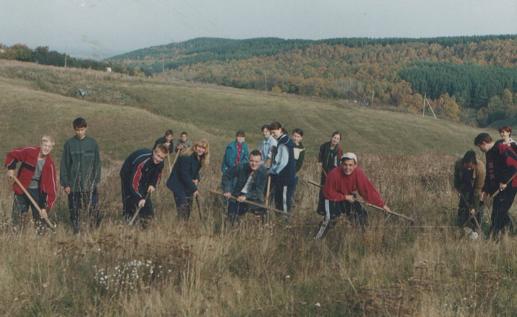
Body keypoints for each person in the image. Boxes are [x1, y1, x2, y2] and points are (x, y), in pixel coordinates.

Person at [322, 153, 391, 231]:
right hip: (332, 198)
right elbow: (327, 193)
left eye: (350, 165)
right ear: (341, 164)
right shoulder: (333, 174)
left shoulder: (358, 173)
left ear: (355, 165)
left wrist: (382, 205)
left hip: (347, 196)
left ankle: (359, 236)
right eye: (345, 165)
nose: (347, 168)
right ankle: (317, 239)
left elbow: (368, 190)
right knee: (331, 218)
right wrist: (345, 197)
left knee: (361, 214)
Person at [4, 135, 57, 229]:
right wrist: (11, 169)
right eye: (45, 145)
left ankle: (41, 239)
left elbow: (51, 189)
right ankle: (16, 235)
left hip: (37, 192)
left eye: (49, 147)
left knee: (39, 218)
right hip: (21, 188)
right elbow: (12, 154)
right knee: (18, 216)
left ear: (52, 148)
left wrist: (45, 208)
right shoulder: (29, 152)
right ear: (41, 145)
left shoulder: (50, 165)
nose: (46, 148)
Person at [60, 117, 102, 234]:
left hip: (89, 185)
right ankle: (76, 231)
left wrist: (96, 180)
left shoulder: (92, 143)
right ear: (74, 129)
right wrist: (66, 184)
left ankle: (95, 231)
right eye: (77, 130)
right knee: (74, 210)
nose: (80, 132)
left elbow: (97, 163)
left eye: (82, 129)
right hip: (73, 186)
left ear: (86, 128)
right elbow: (64, 165)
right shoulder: (69, 144)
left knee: (93, 209)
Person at [474, 133, 517, 237]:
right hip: (500, 186)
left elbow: (513, 165)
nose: (480, 150)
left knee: (498, 213)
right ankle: (511, 229)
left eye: (480, 147)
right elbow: (490, 174)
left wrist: (504, 181)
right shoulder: (489, 153)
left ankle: (493, 237)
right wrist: (485, 190)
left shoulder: (501, 147)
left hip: (510, 185)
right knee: (499, 210)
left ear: (484, 143)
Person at [120, 145, 167, 225]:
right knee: (130, 198)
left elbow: (156, 175)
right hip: (128, 174)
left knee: (145, 199)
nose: (159, 159)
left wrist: (152, 184)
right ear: (153, 152)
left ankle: (144, 221)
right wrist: (139, 198)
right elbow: (134, 183)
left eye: (162, 158)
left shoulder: (160, 163)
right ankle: (127, 220)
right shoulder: (142, 162)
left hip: (145, 174)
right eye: (158, 156)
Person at [167, 139, 210, 220]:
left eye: (203, 148)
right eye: (199, 147)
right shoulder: (187, 156)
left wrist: (197, 179)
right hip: (178, 184)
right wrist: (194, 189)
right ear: (195, 146)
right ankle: (179, 228)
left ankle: (184, 226)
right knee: (183, 208)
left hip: (187, 184)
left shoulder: (199, 158)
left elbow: (195, 172)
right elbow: (184, 175)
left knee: (188, 209)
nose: (201, 149)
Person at [222, 150, 267, 224]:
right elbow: (227, 175)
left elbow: (258, 191)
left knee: (262, 213)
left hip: (253, 197)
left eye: (256, 162)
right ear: (248, 160)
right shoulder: (241, 167)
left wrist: (246, 196)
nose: (253, 164)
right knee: (231, 217)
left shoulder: (263, 172)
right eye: (251, 161)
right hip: (237, 196)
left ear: (260, 162)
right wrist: (227, 190)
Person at [453, 150, 486, 237]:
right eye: (466, 166)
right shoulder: (458, 164)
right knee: (463, 206)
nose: (468, 168)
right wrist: (458, 189)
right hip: (465, 187)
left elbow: (478, 189)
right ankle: (462, 224)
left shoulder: (480, 168)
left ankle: (476, 229)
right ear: (463, 163)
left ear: (474, 164)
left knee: (477, 210)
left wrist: (474, 207)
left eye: (470, 167)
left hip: (478, 188)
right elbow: (456, 178)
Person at [268, 121, 296, 216]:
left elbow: (283, 162)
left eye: (274, 132)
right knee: (279, 201)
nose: (272, 135)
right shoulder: (284, 140)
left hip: (285, 178)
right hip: (283, 178)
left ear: (280, 129)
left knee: (284, 202)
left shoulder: (284, 143)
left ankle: (284, 223)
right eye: (271, 133)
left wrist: (273, 171)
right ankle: (280, 221)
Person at [317, 131, 344, 214]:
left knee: (329, 191)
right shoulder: (324, 146)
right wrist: (319, 164)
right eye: (334, 137)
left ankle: (329, 210)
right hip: (324, 173)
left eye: (337, 139)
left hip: (332, 175)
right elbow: (320, 158)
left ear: (339, 141)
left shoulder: (339, 150)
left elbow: (337, 165)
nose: (335, 140)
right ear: (331, 137)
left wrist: (332, 175)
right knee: (322, 190)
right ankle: (321, 210)